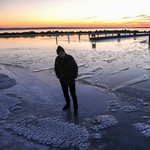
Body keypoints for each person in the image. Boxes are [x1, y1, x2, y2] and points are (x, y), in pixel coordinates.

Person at [54, 46, 78, 113]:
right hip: (63, 79)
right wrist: (59, 76)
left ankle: (76, 108)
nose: (61, 55)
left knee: (73, 94)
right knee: (65, 93)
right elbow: (56, 68)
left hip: (70, 79)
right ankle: (68, 104)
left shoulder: (70, 58)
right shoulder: (57, 59)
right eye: (59, 54)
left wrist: (74, 76)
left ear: (64, 52)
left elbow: (75, 67)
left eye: (62, 53)